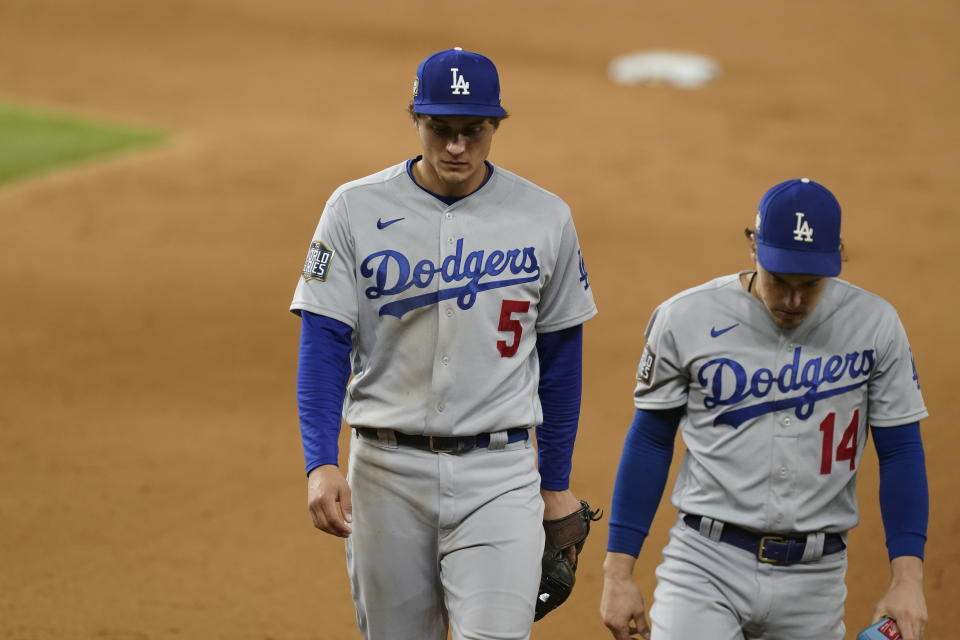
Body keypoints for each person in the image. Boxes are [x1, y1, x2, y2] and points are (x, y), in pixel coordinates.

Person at [290, 47, 597, 640]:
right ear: (416, 120)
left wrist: (554, 483)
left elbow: (561, 361)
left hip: (501, 475)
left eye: (472, 130)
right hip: (385, 475)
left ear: (495, 127)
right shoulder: (354, 208)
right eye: (440, 129)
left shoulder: (545, 217)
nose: (456, 145)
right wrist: (320, 461)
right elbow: (324, 342)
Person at [600, 178, 929, 640]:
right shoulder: (686, 318)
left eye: (810, 284)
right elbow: (651, 440)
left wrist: (907, 579)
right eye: (780, 281)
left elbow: (900, 453)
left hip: (815, 581)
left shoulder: (875, 326)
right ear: (753, 248)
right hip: (705, 566)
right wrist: (618, 573)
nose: (794, 300)